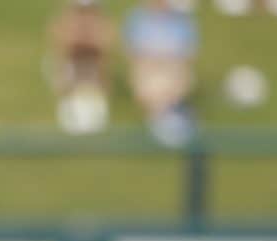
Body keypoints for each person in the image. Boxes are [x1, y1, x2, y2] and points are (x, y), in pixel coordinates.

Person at [123, 0, 199, 146]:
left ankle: (167, 119)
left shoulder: (182, 19)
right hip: (148, 66)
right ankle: (168, 120)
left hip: (173, 66)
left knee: (177, 74)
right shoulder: (137, 17)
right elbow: (132, 51)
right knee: (149, 78)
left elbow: (189, 52)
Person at [46, 0, 116, 134]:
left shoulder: (103, 25)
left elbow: (104, 47)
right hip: (73, 73)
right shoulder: (64, 24)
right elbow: (64, 46)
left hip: (92, 74)